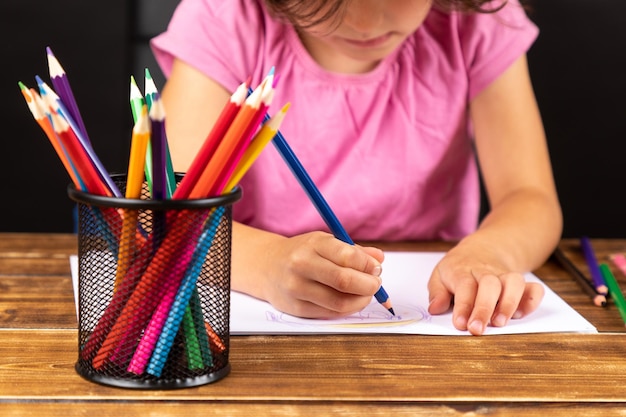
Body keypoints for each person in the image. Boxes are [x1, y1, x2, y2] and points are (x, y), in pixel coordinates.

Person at [151, 0, 562, 336]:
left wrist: (489, 253)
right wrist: (265, 265)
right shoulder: (224, 17)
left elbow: (529, 197)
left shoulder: (476, 18)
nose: (365, 22)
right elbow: (169, 216)